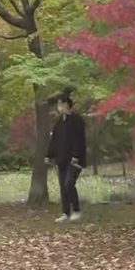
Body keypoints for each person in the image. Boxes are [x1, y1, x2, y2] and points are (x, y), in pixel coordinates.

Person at [46, 95, 86, 223]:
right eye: (58, 105)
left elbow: (79, 140)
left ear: (67, 105)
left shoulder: (76, 120)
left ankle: (76, 211)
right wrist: (49, 155)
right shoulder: (59, 123)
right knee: (63, 186)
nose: (59, 108)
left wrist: (76, 155)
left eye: (61, 104)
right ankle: (65, 213)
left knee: (69, 183)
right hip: (61, 159)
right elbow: (54, 141)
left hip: (74, 160)